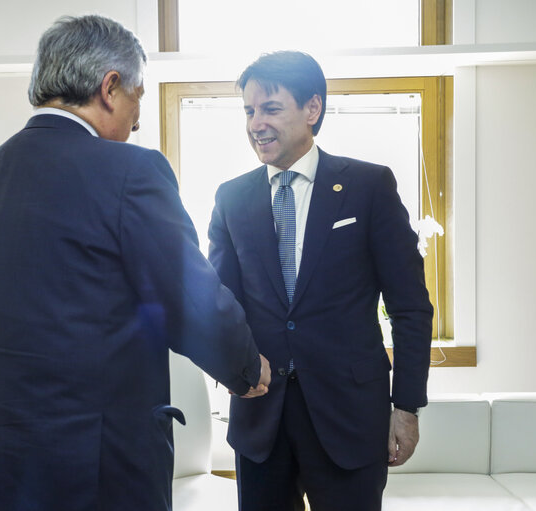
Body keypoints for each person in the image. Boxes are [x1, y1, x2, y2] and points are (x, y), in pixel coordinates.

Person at [0, 15, 270, 511]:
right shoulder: (130, 170)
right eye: (138, 99)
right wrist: (246, 366)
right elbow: (187, 296)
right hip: (92, 472)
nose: (138, 120)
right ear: (110, 88)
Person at [207, 51, 433, 511]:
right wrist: (233, 370)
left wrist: (406, 407)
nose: (256, 124)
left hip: (350, 418)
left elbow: (410, 307)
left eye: (271, 109)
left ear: (312, 109)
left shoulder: (369, 187)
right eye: (249, 111)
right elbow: (218, 304)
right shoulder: (232, 199)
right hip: (261, 420)